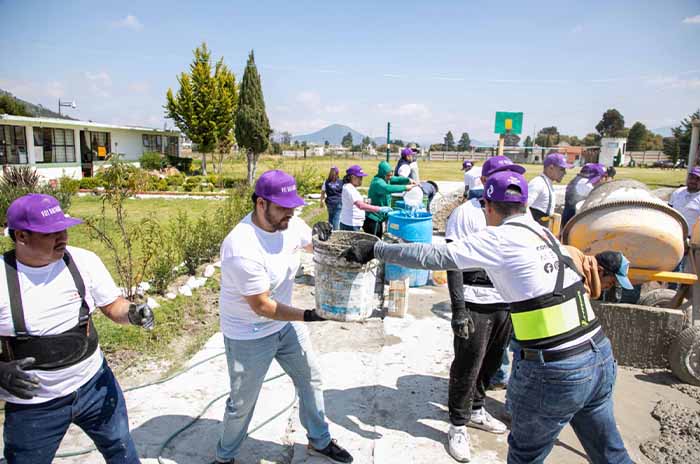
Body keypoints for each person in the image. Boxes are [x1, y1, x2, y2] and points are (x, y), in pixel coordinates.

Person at [341, 170, 632, 464]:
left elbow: (434, 257)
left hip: (557, 368)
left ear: (489, 207)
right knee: (610, 453)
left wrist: (376, 248)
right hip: (600, 356)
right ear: (525, 205)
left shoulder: (500, 238)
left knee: (524, 456)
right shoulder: (542, 232)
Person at [0, 193, 154, 464]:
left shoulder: (83, 261)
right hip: (34, 407)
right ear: (22, 236)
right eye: (51, 233)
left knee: (122, 450)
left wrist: (132, 313)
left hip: (95, 384)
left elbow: (112, 305)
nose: (63, 237)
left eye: (64, 229)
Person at [215, 170, 353, 464]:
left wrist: (322, 236)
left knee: (310, 377)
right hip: (249, 333)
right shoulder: (242, 247)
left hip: (285, 326)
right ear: (261, 204)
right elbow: (263, 306)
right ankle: (224, 457)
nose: (289, 214)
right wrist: (309, 315)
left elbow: (313, 245)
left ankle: (320, 440)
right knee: (242, 403)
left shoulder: (289, 223)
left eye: (292, 207)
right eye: (282, 208)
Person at [443, 156, 525, 462]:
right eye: (503, 174)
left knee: (491, 365)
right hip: (475, 301)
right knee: (467, 366)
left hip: (503, 302)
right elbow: (451, 263)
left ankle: (477, 409)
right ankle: (457, 425)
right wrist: (458, 309)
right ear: (485, 181)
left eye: (513, 174)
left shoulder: (515, 216)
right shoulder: (465, 214)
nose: (509, 179)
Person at [365, 161, 415, 237]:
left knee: (379, 238)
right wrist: (405, 187)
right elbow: (387, 188)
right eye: (388, 175)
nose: (390, 177)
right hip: (373, 218)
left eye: (391, 175)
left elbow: (397, 179)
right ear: (383, 174)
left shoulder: (386, 179)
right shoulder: (377, 182)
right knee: (374, 241)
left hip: (379, 217)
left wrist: (408, 180)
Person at [564, 247, 634, 299]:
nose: (609, 288)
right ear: (600, 270)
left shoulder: (574, 251)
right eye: (611, 282)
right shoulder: (580, 286)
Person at [340, 165, 391, 232]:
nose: (361, 179)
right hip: (350, 225)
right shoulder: (349, 188)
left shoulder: (350, 188)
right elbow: (360, 205)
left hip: (352, 224)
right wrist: (379, 209)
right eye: (360, 177)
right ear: (352, 177)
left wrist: (363, 200)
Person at [528, 153, 573, 227]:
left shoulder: (547, 183)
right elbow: (523, 207)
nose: (565, 173)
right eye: (562, 169)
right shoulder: (538, 183)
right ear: (551, 167)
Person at [561, 163, 608, 227]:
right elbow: (603, 197)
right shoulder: (585, 185)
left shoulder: (576, 180)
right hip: (575, 224)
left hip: (569, 220)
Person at [669, 167, 700, 237]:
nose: (693, 181)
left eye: (698, 179)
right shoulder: (677, 192)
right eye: (691, 177)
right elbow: (668, 212)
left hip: (692, 239)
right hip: (673, 235)